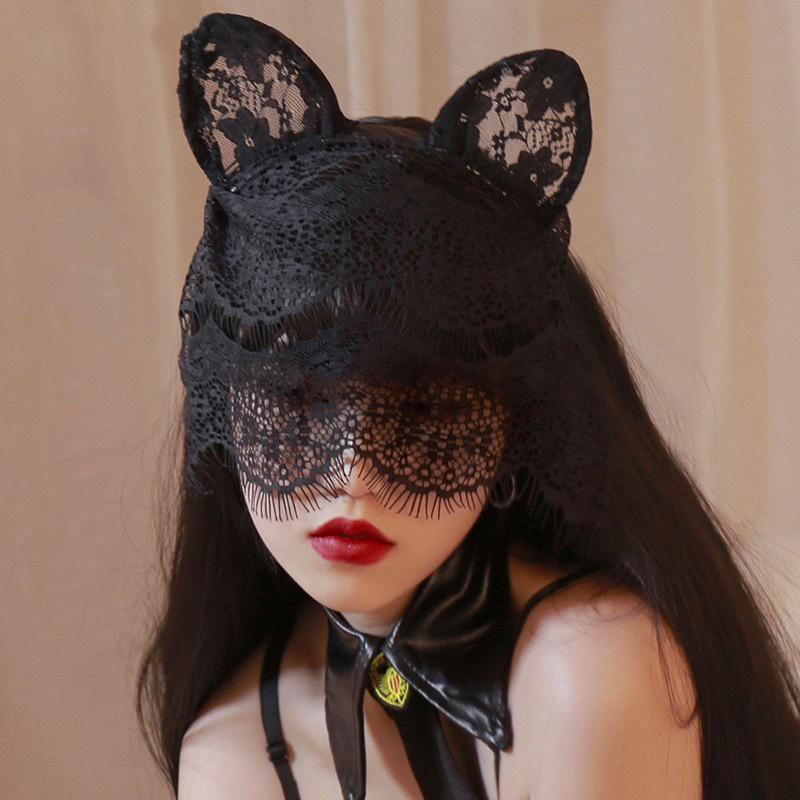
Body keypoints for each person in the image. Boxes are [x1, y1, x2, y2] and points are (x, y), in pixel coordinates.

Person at [136, 12, 800, 800]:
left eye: (422, 414)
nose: (352, 474)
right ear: (226, 406)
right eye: (296, 402)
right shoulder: (231, 750)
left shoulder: (591, 672)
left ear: (519, 423)